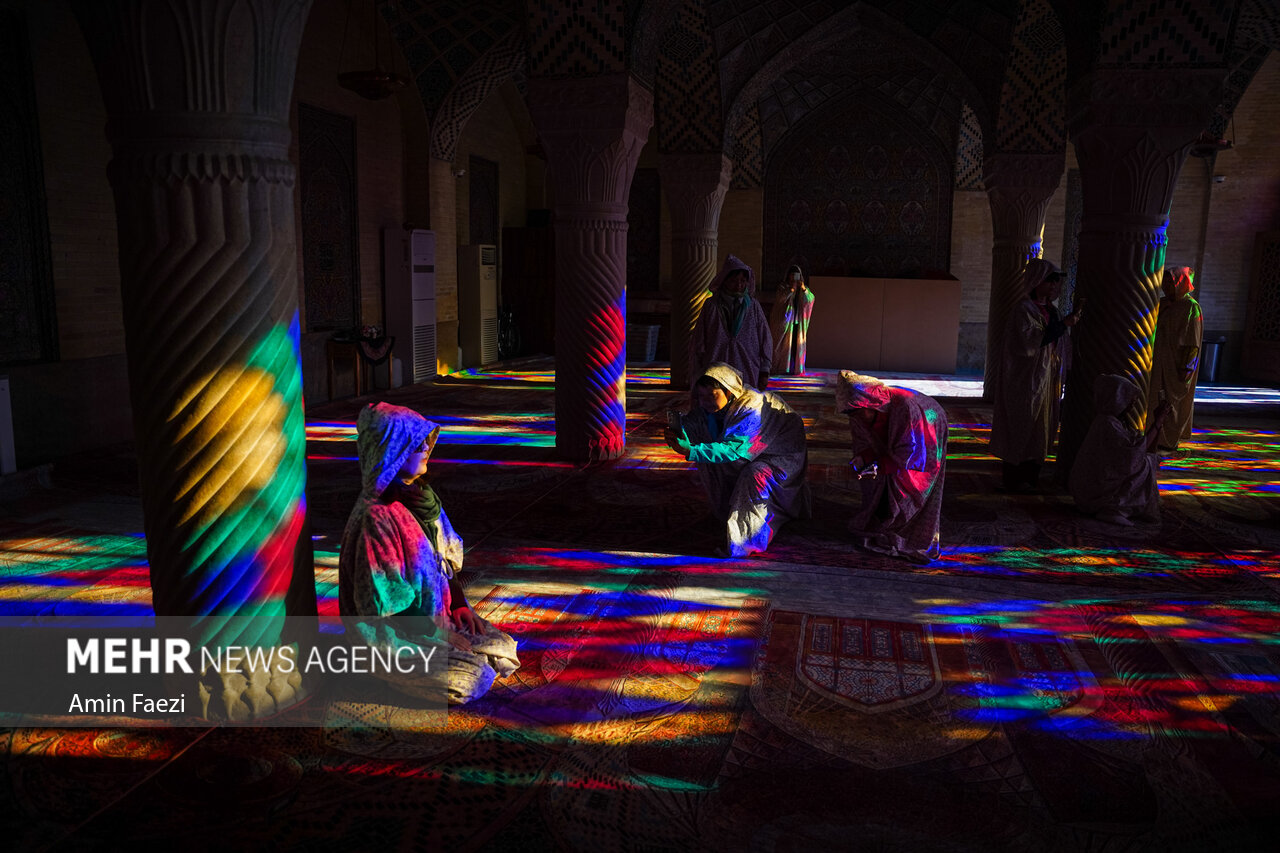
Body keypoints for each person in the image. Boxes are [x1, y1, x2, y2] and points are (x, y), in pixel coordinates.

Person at [339, 402, 519, 705]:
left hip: (437, 613)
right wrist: (440, 636)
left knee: (502, 647)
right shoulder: (376, 517)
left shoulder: (420, 496)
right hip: (395, 630)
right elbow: (389, 601)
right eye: (414, 441)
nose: (425, 446)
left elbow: (442, 561)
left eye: (425, 439)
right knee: (467, 679)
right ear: (391, 451)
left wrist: (460, 605)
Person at [665, 363, 810, 557]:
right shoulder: (712, 408)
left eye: (712, 395)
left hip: (780, 457)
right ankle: (726, 509)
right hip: (753, 450)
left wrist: (690, 449)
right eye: (701, 396)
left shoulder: (750, 407)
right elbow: (695, 423)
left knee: (754, 474)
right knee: (705, 448)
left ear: (729, 391)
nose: (705, 402)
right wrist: (680, 432)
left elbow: (733, 450)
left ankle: (745, 541)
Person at [989, 258, 1084, 492]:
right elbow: (1031, 342)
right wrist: (1064, 324)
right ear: (1036, 282)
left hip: (1046, 379)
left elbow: (1060, 343)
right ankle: (1013, 478)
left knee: (1042, 427)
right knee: (1021, 423)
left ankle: (1031, 477)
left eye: (1055, 283)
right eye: (1049, 282)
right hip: (1024, 379)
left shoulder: (1051, 310)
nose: (1053, 287)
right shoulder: (1024, 309)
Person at [836, 371, 948, 563]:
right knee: (880, 485)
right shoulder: (859, 414)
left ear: (870, 402)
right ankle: (887, 517)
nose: (855, 418)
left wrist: (879, 465)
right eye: (850, 413)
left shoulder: (905, 409)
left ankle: (908, 525)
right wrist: (862, 459)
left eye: (856, 412)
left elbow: (910, 456)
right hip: (904, 440)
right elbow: (869, 444)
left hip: (927, 425)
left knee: (910, 482)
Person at [1069, 374, 1170, 526]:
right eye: (1129, 399)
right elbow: (1132, 458)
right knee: (1143, 465)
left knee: (1148, 459)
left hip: (1094, 489)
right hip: (1092, 493)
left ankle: (1120, 507)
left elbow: (1146, 449)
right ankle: (1114, 508)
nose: (1132, 404)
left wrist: (1158, 423)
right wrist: (1157, 423)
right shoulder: (1107, 424)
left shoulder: (1114, 422)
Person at [690, 255, 773, 391]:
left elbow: (765, 336)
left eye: (743, 281)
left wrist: (765, 370)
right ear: (724, 280)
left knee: (745, 403)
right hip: (716, 364)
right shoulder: (711, 305)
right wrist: (698, 367)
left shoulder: (753, 306)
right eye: (734, 280)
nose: (739, 285)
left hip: (747, 364)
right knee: (717, 402)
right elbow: (700, 338)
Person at [1147, 265, 1203, 454]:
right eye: (1165, 283)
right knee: (1154, 398)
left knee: (1172, 403)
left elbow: (1193, 343)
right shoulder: (1162, 304)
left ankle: (1168, 440)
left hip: (1175, 366)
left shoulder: (1191, 308)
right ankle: (1153, 437)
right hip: (1157, 363)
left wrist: (1187, 369)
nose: (1165, 287)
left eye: (1170, 283)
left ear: (1180, 284)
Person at [769, 264, 816, 375]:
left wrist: (803, 289)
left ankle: (795, 369)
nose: (793, 277)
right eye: (792, 275)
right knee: (783, 346)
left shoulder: (803, 289)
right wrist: (791, 290)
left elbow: (810, 300)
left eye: (796, 275)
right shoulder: (783, 287)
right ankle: (782, 368)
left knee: (796, 346)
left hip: (798, 323)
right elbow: (780, 300)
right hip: (786, 323)